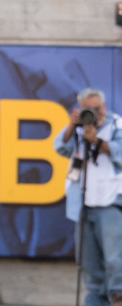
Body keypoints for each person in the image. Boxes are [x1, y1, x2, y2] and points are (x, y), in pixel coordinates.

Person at [53, 88, 122, 306]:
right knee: (88, 262)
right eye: (87, 109)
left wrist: (98, 143)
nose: (93, 113)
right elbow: (60, 147)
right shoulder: (77, 128)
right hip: (83, 204)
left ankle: (118, 296)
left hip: (111, 203)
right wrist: (73, 125)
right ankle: (95, 300)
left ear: (104, 106)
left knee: (114, 259)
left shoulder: (117, 125)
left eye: (96, 108)